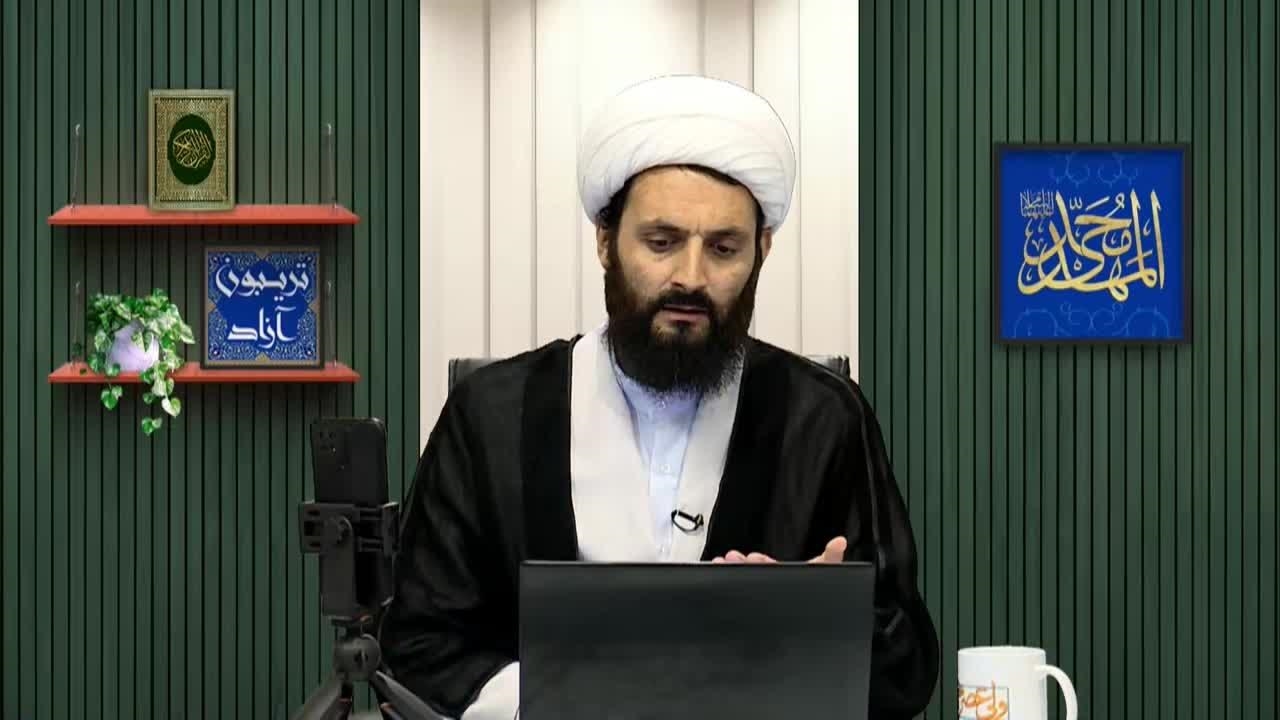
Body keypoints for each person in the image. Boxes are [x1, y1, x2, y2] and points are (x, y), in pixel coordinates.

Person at [379, 74, 939, 720]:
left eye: (724, 249)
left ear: (761, 251)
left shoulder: (823, 419)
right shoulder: (490, 416)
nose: (691, 278)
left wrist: (809, 623)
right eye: (662, 242)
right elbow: (419, 644)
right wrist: (575, 698)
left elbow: (905, 666)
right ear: (605, 241)